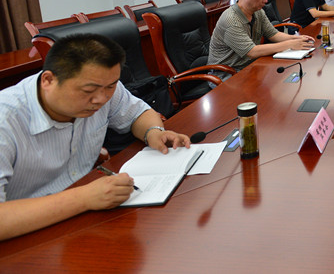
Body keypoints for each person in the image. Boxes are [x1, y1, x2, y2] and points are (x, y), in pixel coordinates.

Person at [0, 34, 191, 241]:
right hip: (27, 234)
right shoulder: (6, 120)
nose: (101, 99)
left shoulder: (102, 85)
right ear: (48, 80)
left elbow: (138, 114)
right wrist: (84, 198)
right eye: (88, 91)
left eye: (111, 86)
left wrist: (153, 132)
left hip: (89, 216)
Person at [208, 0, 315, 71]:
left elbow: (273, 34)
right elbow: (252, 51)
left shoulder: (258, 12)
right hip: (227, 74)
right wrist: (290, 44)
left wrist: (297, 38)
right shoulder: (231, 20)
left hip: (251, 66)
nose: (266, 0)